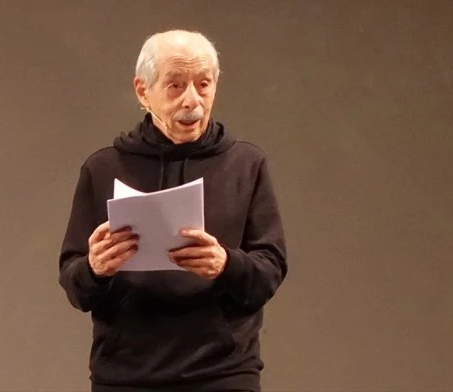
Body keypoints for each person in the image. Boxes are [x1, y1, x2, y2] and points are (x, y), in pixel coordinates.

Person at [58, 29, 288, 392]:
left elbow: (270, 271)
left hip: (223, 372)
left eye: (203, 84)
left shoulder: (246, 164)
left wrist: (226, 264)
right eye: (175, 86)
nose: (192, 101)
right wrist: (95, 268)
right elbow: (75, 286)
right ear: (142, 91)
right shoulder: (103, 169)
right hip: (126, 376)